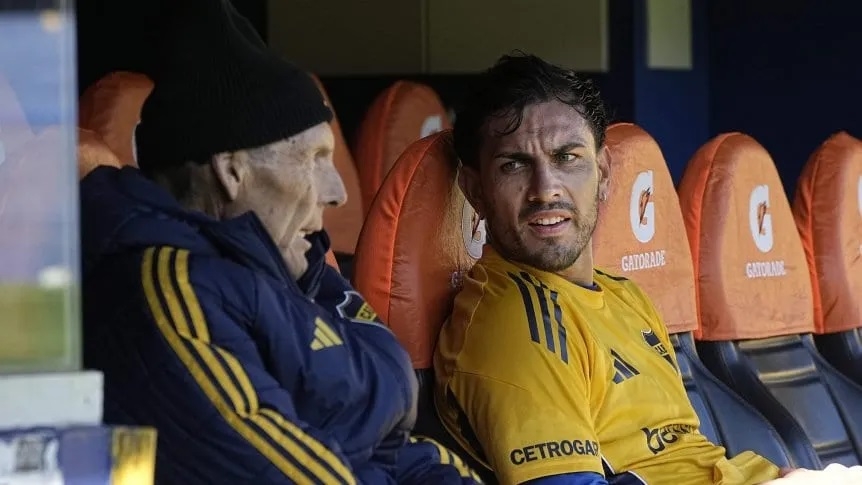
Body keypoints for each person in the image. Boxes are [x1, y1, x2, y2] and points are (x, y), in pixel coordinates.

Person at [79, 1, 482, 483]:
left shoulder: (296, 265)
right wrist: (373, 423)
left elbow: (396, 441)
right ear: (231, 172)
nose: (337, 191)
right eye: (313, 159)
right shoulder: (168, 288)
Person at [432, 53, 792, 485]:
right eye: (514, 165)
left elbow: (683, 454)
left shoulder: (626, 295)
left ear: (603, 173)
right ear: (475, 191)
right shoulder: (516, 321)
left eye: (567, 158)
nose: (546, 190)